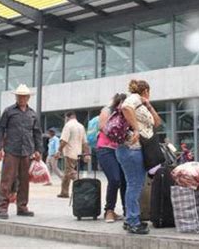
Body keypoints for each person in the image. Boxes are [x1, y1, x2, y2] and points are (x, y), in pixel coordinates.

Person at [118, 79, 161, 234]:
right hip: (131, 149)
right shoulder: (133, 99)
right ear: (146, 91)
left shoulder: (141, 104)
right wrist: (136, 129)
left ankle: (131, 219)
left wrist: (148, 105)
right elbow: (125, 107)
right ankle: (132, 222)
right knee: (135, 185)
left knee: (134, 185)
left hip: (135, 150)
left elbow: (156, 123)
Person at [0, 84, 43, 219]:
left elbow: (37, 133)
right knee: (7, 180)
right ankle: (3, 208)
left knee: (24, 181)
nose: (22, 98)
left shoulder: (32, 114)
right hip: (11, 150)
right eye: (19, 96)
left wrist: (39, 150)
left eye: (24, 96)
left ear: (28, 98)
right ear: (16, 97)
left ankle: (22, 207)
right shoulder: (9, 111)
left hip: (27, 151)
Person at [96, 93, 127, 223]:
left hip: (121, 150)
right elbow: (102, 127)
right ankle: (109, 210)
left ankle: (128, 210)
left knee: (125, 180)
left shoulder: (127, 114)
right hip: (105, 149)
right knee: (114, 179)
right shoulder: (107, 111)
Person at [55, 111, 90, 198]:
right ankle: (64, 192)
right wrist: (86, 153)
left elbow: (64, 140)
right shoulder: (81, 126)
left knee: (70, 172)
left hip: (69, 152)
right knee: (67, 173)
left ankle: (82, 186)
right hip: (77, 153)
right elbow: (85, 143)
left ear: (67, 117)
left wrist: (59, 150)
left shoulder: (68, 125)